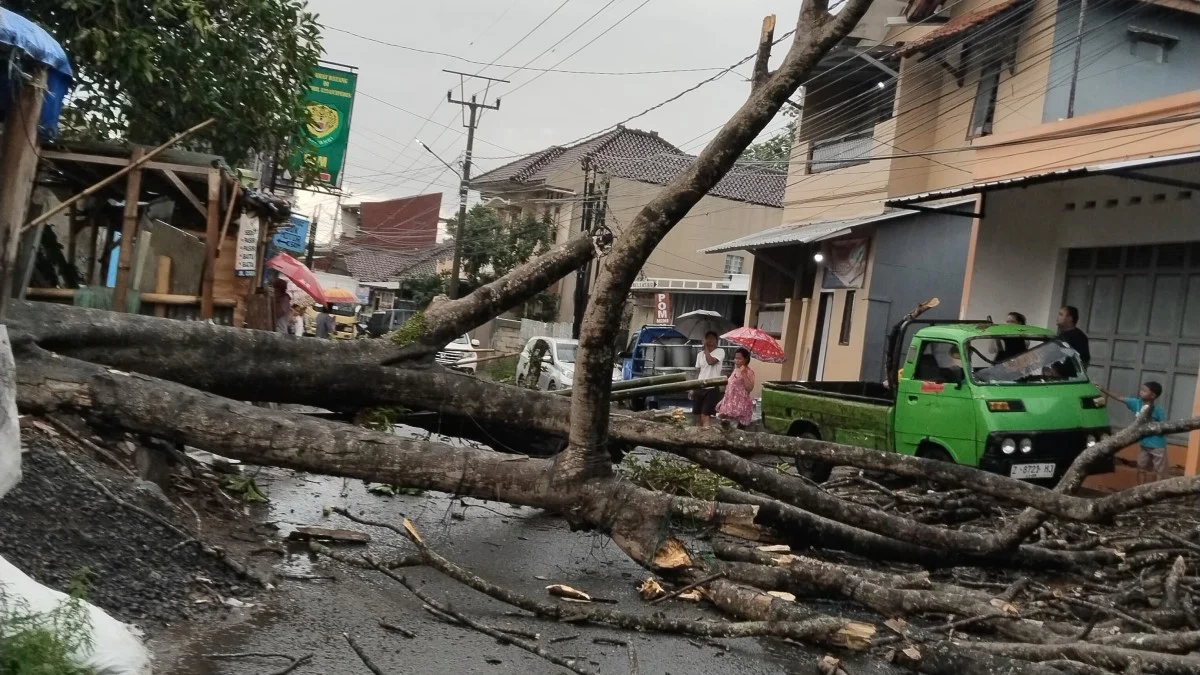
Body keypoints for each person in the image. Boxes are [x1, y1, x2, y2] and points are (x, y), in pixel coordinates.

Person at [1100, 381, 1168, 484]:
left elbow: (1164, 426)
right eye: (1141, 389)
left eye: (1144, 391)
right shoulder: (1136, 403)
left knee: (1160, 471)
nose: (1141, 392)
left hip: (1157, 445)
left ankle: (1160, 491)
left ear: (1153, 395)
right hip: (1144, 444)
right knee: (1141, 467)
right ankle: (1140, 489)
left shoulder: (1158, 410)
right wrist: (1103, 390)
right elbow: (1120, 397)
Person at [692, 331, 726, 428]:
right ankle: (696, 437)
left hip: (711, 388)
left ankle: (707, 437)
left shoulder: (720, 352)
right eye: (708, 338)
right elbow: (697, 371)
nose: (709, 340)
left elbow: (710, 361)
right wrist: (693, 387)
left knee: (705, 415)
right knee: (697, 415)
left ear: (716, 341)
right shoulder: (699, 355)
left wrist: (706, 348)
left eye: (712, 338)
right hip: (699, 386)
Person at [717, 348, 756, 429]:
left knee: (739, 431)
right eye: (736, 358)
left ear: (746, 359)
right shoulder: (735, 370)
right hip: (730, 405)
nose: (736, 360)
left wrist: (743, 373)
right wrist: (723, 400)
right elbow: (730, 387)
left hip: (741, 406)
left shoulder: (749, 372)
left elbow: (749, 388)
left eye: (739, 358)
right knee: (727, 429)